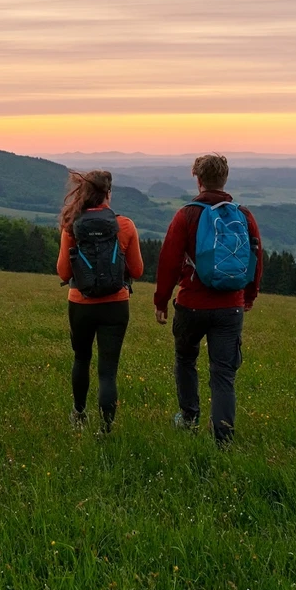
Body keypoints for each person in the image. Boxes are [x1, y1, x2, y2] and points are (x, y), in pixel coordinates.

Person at [153, 153, 263, 446]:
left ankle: (189, 419)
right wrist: (249, 295)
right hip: (231, 306)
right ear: (225, 179)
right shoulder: (244, 215)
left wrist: (161, 301)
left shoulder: (186, 215)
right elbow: (255, 258)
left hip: (191, 304)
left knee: (186, 359)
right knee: (223, 373)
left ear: (198, 180)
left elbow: (168, 261)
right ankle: (223, 437)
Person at [55, 169, 144, 433]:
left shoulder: (72, 225)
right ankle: (106, 428)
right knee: (108, 369)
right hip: (116, 304)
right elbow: (137, 271)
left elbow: (63, 272)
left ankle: (79, 413)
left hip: (80, 303)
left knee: (81, 359)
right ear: (108, 194)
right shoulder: (124, 225)